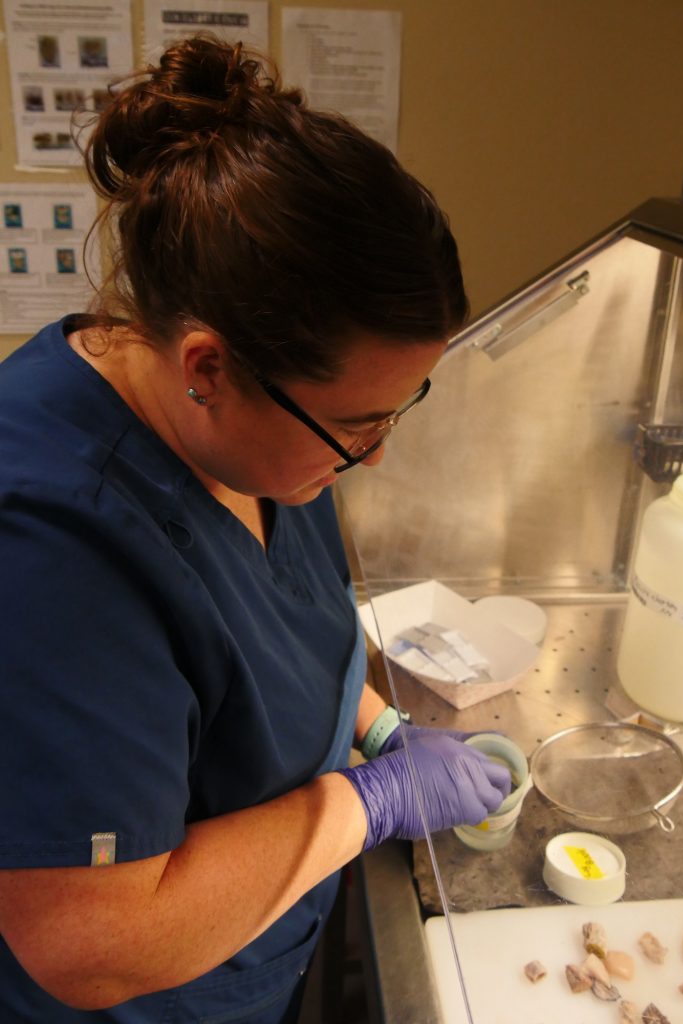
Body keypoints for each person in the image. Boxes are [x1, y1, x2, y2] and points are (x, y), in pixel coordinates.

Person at [0, 36, 511, 1024]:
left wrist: (377, 727)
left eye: (398, 411)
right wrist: (372, 802)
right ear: (208, 367)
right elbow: (89, 946)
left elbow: (274, 634)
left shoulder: (249, 438)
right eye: (356, 423)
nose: (374, 455)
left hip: (259, 950)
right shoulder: (53, 550)